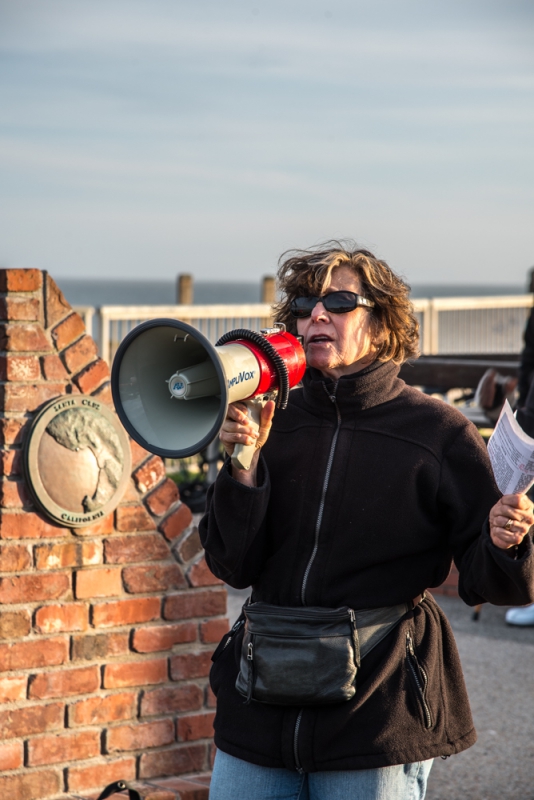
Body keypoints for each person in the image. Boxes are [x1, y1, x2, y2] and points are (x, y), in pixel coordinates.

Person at [200, 243, 534, 800]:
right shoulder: (267, 418)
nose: (317, 315)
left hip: (376, 714)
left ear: (380, 325)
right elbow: (231, 565)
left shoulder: (437, 432)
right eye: (306, 304)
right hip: (258, 711)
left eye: (339, 301)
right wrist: (243, 464)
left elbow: (490, 580)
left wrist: (507, 540)